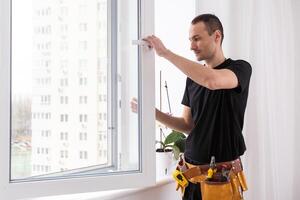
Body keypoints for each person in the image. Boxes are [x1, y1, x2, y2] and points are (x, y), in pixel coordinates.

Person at [132, 14, 251, 200]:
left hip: (221, 182)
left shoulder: (240, 69)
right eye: (190, 40)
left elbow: (211, 80)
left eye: (197, 39)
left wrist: (166, 53)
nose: (191, 46)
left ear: (217, 36)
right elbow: (187, 125)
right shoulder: (193, 79)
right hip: (190, 179)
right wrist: (151, 112)